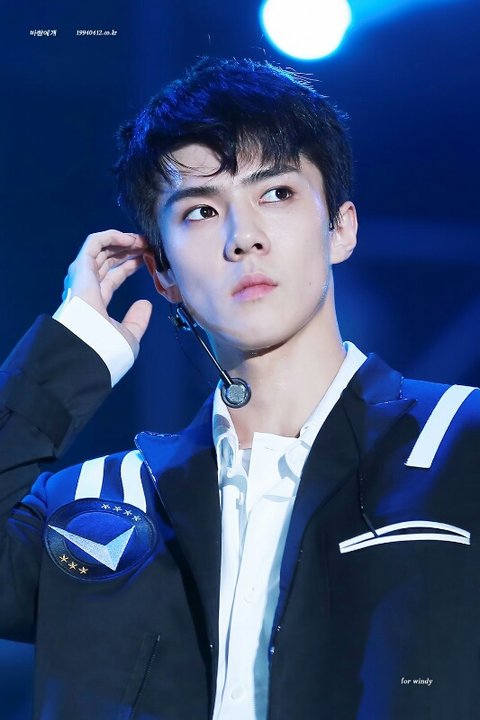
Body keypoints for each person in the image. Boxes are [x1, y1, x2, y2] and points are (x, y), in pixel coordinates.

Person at [0, 57, 479, 720]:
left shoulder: (461, 445)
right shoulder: (92, 507)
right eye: (201, 210)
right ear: (162, 272)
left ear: (341, 228)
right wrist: (67, 354)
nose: (243, 237)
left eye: (276, 194)